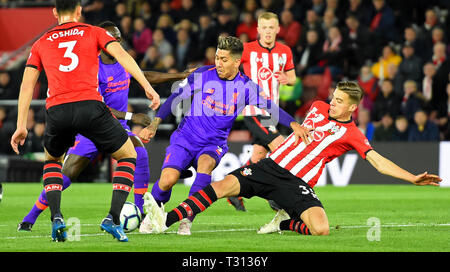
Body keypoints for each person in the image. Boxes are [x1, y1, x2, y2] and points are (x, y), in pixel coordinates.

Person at [141, 81, 441, 236]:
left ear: (352, 109)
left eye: (338, 101)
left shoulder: (353, 134)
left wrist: (411, 177)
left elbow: (376, 161)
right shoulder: (317, 107)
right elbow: (286, 126)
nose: (332, 103)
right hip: (270, 167)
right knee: (220, 188)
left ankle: (283, 224)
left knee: (320, 229)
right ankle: (163, 220)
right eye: (333, 97)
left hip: (297, 182)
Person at [10, 0, 160, 242]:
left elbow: (27, 85)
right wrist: (147, 88)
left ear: (55, 12)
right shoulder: (94, 32)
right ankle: (112, 218)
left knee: (53, 162)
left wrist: (21, 125)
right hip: (90, 107)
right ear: (79, 10)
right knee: (128, 155)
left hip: (57, 110)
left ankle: (56, 217)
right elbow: (122, 56)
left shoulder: (40, 43)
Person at [17, 21, 192, 232]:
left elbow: (145, 76)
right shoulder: (92, 68)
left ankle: (141, 213)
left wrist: (180, 75)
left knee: (139, 153)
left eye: (118, 39)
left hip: (115, 127)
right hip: (92, 126)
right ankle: (30, 217)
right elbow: (96, 108)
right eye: (113, 38)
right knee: (67, 175)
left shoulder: (123, 62)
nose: (117, 42)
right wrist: (132, 116)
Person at [138, 35, 307, 236]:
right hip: (186, 137)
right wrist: (155, 124)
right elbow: (176, 97)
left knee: (205, 166)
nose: (218, 63)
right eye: (217, 58)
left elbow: (271, 107)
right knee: (167, 180)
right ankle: (153, 213)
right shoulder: (202, 74)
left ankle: (186, 219)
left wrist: (294, 124)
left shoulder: (247, 86)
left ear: (237, 62)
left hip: (213, 142)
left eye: (224, 59)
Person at [231, 11, 296, 211]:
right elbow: (229, 66)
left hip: (272, 112)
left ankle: (233, 191)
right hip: (254, 110)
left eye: (271, 28)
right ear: (258, 30)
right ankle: (276, 196)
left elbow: (292, 78)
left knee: (258, 156)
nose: (268, 31)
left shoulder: (285, 51)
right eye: (264, 28)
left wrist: (287, 78)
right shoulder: (247, 49)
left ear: (278, 29)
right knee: (281, 147)